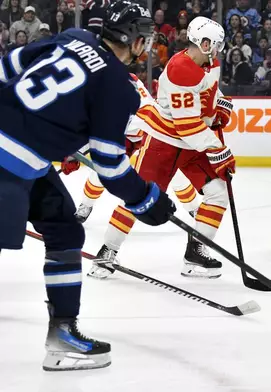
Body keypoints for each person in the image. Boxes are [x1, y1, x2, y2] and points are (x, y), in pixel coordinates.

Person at [0, 0, 175, 371]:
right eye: (144, 37)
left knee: (65, 229)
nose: (146, 45)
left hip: (24, 160)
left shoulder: (72, 38)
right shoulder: (119, 86)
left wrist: (46, 123)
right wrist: (145, 200)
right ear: (132, 38)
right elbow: (110, 164)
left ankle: (62, 334)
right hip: (9, 162)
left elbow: (7, 67)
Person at [90, 16, 235, 280]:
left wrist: (220, 106)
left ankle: (195, 254)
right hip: (165, 142)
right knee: (138, 196)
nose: (217, 51)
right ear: (204, 43)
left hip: (192, 144)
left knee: (217, 192)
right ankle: (106, 251)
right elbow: (187, 125)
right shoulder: (181, 69)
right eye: (214, 45)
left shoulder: (207, 63)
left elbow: (209, 92)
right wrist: (218, 150)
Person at [73, 75, 201, 223]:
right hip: (123, 137)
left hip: (148, 131)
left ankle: (194, 208)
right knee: (102, 172)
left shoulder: (132, 91)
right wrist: (75, 153)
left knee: (176, 176)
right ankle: (86, 205)